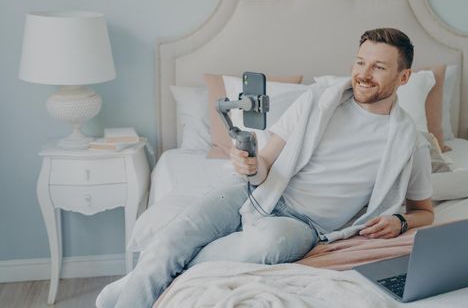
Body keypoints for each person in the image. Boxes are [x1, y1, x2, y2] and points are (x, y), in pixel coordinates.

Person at [97, 28, 434, 308]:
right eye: (360, 62)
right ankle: (137, 287)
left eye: (378, 67)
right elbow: (266, 164)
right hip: (258, 191)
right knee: (174, 236)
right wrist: (250, 166)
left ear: (403, 77)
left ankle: (147, 278)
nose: (363, 74)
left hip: (303, 224)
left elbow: (424, 212)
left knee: (267, 245)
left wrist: (399, 219)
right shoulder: (318, 101)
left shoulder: (410, 142)